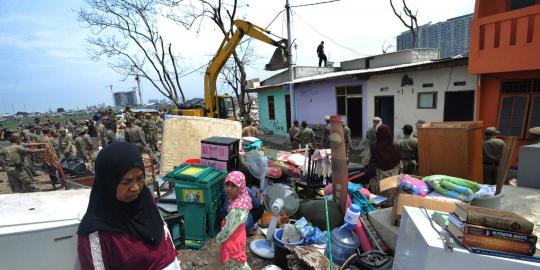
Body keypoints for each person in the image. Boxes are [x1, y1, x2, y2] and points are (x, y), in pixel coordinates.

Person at [77, 143, 180, 269]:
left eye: (140, 178)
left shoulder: (145, 201)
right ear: (109, 183)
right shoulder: (96, 233)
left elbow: (165, 239)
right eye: (126, 182)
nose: (136, 187)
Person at [216, 171, 252, 270]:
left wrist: (219, 238)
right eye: (227, 184)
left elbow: (228, 229)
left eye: (233, 185)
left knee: (234, 263)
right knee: (239, 262)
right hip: (238, 236)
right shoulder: (243, 197)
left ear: (240, 186)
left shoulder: (237, 208)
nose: (229, 188)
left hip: (233, 240)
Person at [356, 124, 402, 195]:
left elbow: (365, 162)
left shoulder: (373, 148)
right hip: (391, 186)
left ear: (378, 134)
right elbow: (400, 167)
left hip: (377, 187)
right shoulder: (395, 150)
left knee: (377, 202)